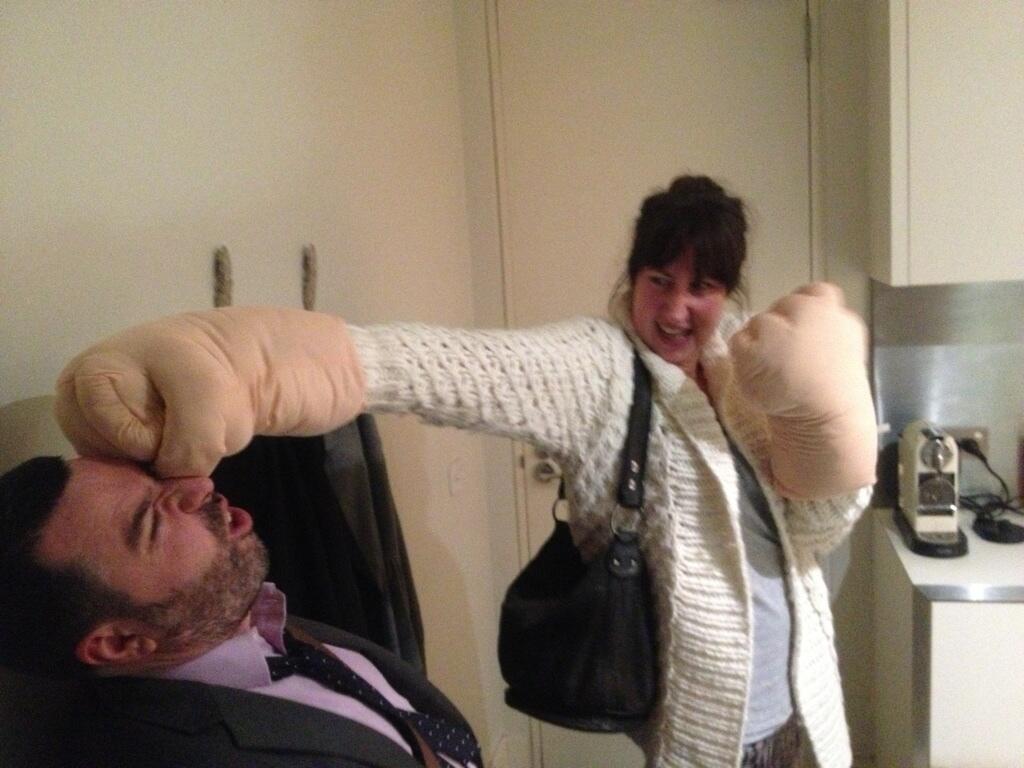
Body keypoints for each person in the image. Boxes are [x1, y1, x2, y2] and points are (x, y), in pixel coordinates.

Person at [54, 174, 877, 768]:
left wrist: (829, 421)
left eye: (702, 287)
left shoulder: (745, 364)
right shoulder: (598, 368)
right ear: (632, 277)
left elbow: (812, 529)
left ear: (729, 292)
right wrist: (244, 364)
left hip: (808, 688)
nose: (674, 308)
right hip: (718, 719)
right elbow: (435, 366)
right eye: (658, 280)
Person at [0, 454, 482, 768]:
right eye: (151, 520)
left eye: (158, 480)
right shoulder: (175, 753)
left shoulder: (238, 623)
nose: (201, 486)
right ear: (121, 642)